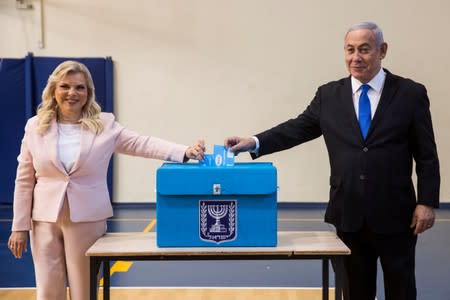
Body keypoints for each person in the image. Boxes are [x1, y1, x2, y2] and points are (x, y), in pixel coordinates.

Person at [224, 22, 440, 300]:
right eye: (350, 50)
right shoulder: (329, 95)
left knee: (401, 288)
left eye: (364, 49)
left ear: (382, 51)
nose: (355, 57)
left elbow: (426, 153)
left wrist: (426, 201)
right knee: (354, 290)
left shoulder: (410, 93)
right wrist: (254, 141)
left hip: (397, 214)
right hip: (348, 212)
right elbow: (296, 128)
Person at [7, 60, 205, 300]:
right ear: (53, 90)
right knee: (48, 290)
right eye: (65, 86)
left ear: (88, 92)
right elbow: (24, 179)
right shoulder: (35, 126)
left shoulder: (105, 125)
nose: (72, 93)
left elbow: (142, 143)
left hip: (87, 218)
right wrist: (19, 226)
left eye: (79, 87)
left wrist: (184, 151)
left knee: (85, 290)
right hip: (44, 221)